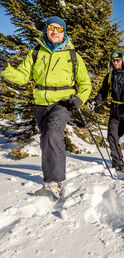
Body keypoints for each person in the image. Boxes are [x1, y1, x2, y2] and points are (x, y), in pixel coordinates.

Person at [0, 16, 92, 199]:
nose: (55, 31)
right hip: (41, 103)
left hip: (62, 102)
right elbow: (22, 76)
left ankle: (53, 184)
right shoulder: (36, 52)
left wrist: (79, 99)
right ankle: (53, 178)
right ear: (46, 29)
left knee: (52, 134)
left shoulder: (72, 55)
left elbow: (85, 83)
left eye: (59, 29)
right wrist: (5, 69)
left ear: (64, 32)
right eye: (52, 27)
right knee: (46, 140)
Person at [88, 49, 124, 173]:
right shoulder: (109, 76)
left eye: (118, 60)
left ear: (123, 61)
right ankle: (118, 164)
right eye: (113, 60)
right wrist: (95, 102)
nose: (115, 62)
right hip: (115, 111)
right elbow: (102, 93)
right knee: (112, 137)